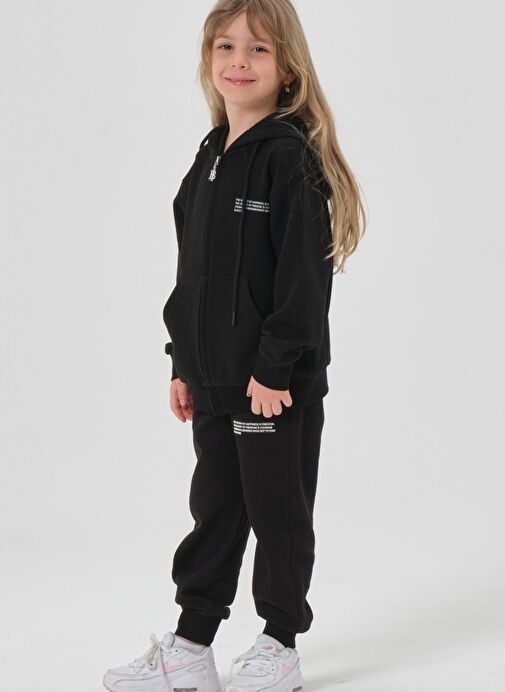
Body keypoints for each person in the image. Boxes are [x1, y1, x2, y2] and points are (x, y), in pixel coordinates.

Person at [103, 1, 366, 691]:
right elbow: (193, 275)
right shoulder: (209, 156)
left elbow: (303, 282)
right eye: (225, 47)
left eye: (257, 49)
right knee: (214, 509)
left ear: (287, 69)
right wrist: (182, 364)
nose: (239, 62)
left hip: (272, 386)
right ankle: (191, 646)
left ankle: (280, 646)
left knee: (277, 514)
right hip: (215, 379)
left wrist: (275, 368)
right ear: (208, 59)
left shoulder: (288, 158)